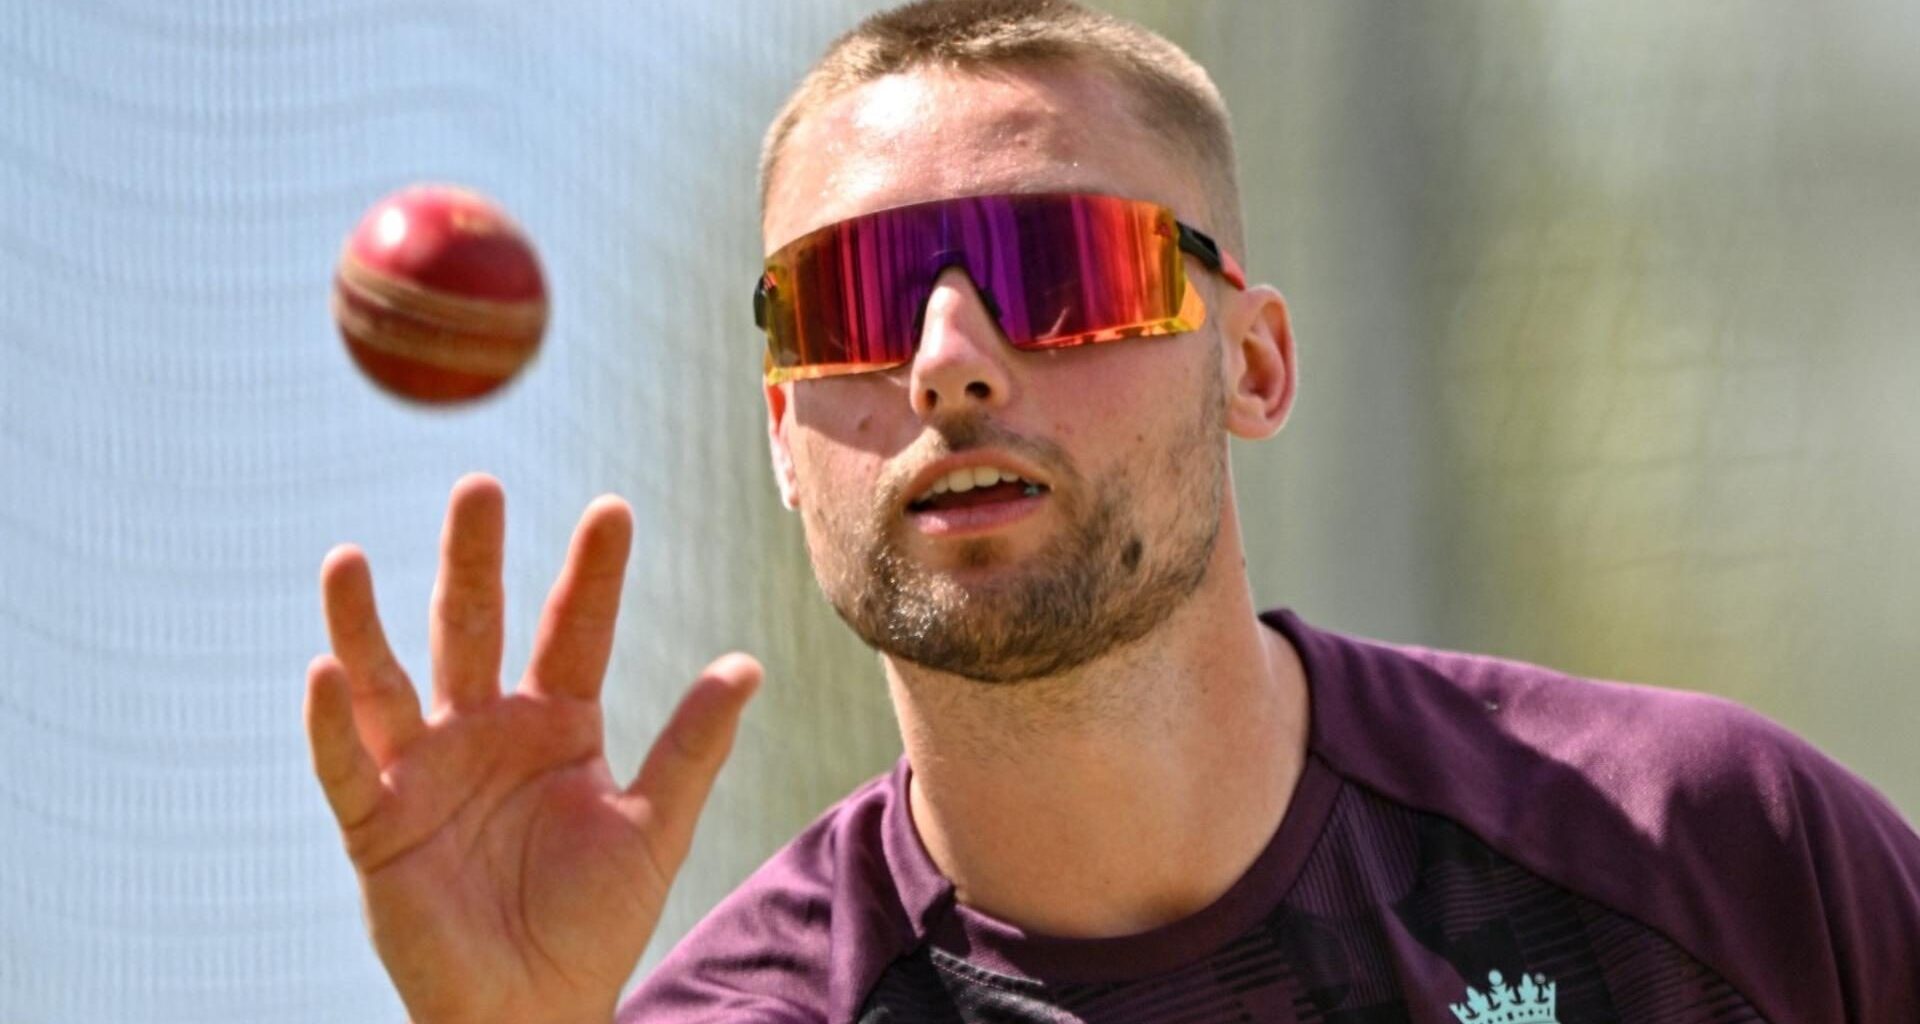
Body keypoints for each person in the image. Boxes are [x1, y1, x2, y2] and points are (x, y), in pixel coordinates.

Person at [303, 1, 1920, 1021]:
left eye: (1052, 275)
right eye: (853, 300)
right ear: (786, 437)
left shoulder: (1709, 851)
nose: (945, 361)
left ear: (1256, 363)